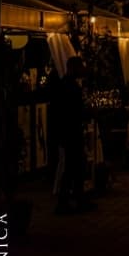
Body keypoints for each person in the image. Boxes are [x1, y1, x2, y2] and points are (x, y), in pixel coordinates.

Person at [49, 55, 95, 214]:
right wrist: (85, 114)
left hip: (69, 131)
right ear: (73, 68)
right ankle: (67, 202)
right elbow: (70, 111)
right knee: (72, 168)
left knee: (75, 167)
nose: (82, 71)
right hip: (70, 132)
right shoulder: (69, 87)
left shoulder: (67, 85)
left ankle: (76, 199)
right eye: (80, 68)